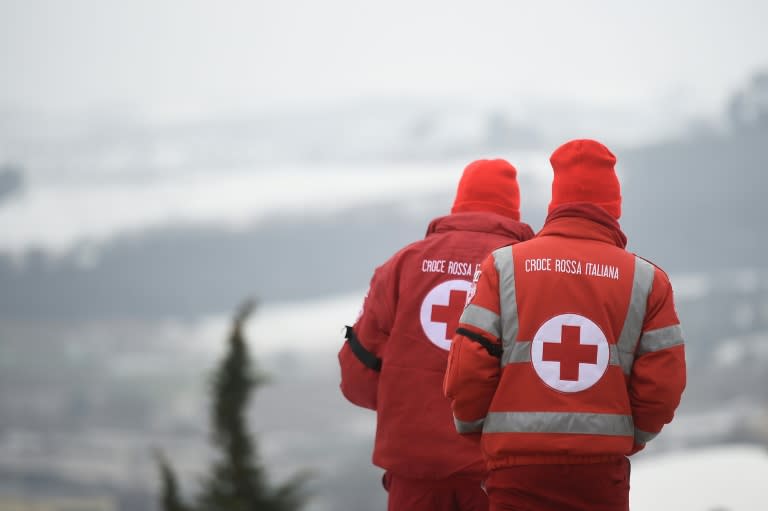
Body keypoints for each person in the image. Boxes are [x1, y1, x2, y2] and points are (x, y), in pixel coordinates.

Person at [443, 139, 687, 511]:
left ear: (555, 202)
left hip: (516, 473)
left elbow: (469, 369)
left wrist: (478, 427)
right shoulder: (648, 281)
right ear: (613, 206)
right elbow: (664, 385)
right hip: (601, 477)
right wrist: (627, 436)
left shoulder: (503, 267)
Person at [338, 159, 535, 511]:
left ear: (458, 204)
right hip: (497, 474)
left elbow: (357, 376)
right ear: (514, 212)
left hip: (414, 470)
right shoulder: (527, 271)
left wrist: (407, 405)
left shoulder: (402, 264)